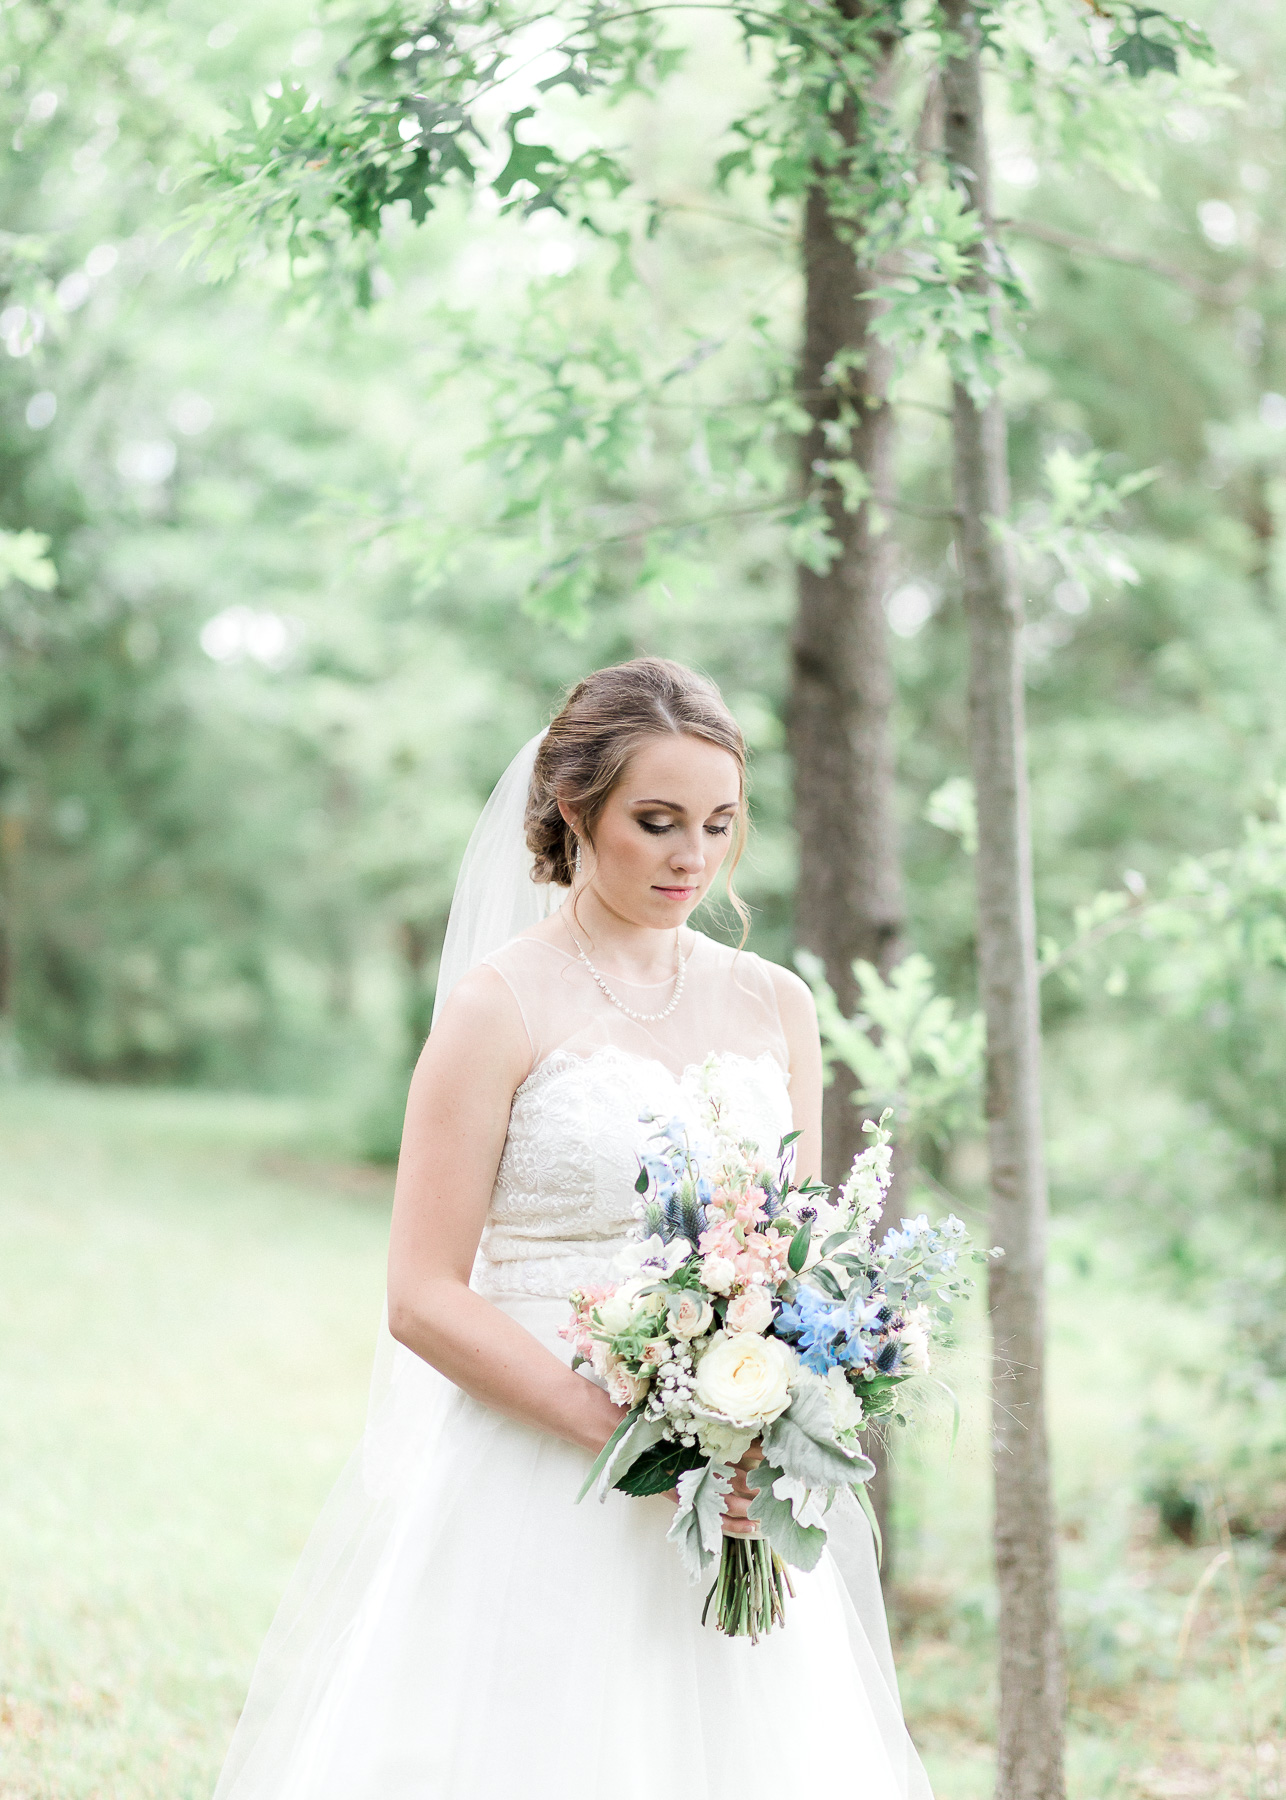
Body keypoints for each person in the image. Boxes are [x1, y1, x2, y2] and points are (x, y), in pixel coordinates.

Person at [213, 657, 932, 1800]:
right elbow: (422, 1294)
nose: (691, 855)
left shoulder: (774, 1005)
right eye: (655, 823)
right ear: (573, 810)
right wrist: (624, 1441)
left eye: (716, 823)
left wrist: (766, 1423)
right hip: (537, 1473)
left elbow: (793, 1257)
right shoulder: (499, 1003)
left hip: (727, 1486)